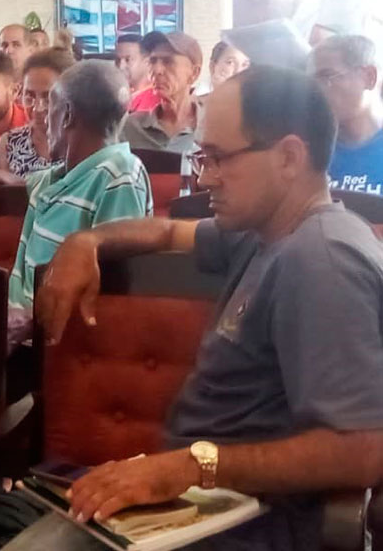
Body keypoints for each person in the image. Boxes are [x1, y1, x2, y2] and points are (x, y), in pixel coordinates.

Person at [36, 66, 383, 551]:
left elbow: (363, 449)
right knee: (1, 517)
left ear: (289, 156)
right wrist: (85, 240)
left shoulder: (322, 260)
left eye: (220, 158)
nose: (205, 176)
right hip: (188, 510)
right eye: (203, 156)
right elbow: (164, 231)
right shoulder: (266, 230)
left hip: (242, 527)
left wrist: (193, 465)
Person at [0, 60, 152, 353]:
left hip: (56, 346)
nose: (43, 117)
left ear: (68, 115)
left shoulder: (119, 174)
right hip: (18, 331)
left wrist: (32, 322)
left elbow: (114, 289)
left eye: (52, 106)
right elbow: (17, 183)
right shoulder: (65, 174)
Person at [310, 35, 383, 194]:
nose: (318, 92)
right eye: (313, 82)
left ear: (369, 77)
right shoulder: (311, 150)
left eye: (327, 77)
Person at [119, 31, 202, 154]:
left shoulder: (212, 127)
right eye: (152, 61)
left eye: (168, 62)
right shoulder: (131, 128)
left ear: (194, 73)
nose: (157, 70)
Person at [0, 47, 76, 177]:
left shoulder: (82, 145)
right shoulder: (9, 144)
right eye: (30, 96)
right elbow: (8, 195)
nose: (37, 108)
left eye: (49, 97)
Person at [115, 34, 159, 113]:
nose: (121, 67)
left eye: (128, 59)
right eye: (118, 60)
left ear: (147, 62)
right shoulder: (116, 94)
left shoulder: (154, 101)